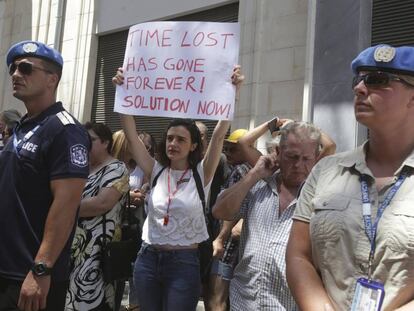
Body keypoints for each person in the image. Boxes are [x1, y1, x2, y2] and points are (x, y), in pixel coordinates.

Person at [286, 44, 414, 310]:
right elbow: (299, 255)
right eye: (358, 79)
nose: (359, 88)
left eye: (377, 80)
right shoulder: (325, 171)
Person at [112, 65, 243, 311]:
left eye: (181, 139)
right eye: (170, 137)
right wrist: (122, 91)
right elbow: (130, 136)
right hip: (147, 259)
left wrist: (231, 93)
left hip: (183, 264)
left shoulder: (201, 173)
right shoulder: (155, 169)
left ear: (194, 146)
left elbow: (218, 136)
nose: (173, 143)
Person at [0, 40, 90, 311]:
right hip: (5, 268)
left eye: (26, 68)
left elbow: (66, 203)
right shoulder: (20, 127)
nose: (16, 74)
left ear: (52, 79)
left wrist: (41, 269)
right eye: (13, 69)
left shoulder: (65, 130)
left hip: (30, 276)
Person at [213, 121, 324, 310]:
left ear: (316, 159)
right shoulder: (258, 185)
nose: (299, 165)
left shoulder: (321, 199)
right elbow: (220, 211)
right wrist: (254, 174)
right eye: (292, 157)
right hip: (244, 302)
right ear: (278, 153)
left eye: (306, 159)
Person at [65, 122, 129, 310]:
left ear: (106, 143)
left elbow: (101, 204)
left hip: (97, 251)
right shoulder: (78, 167)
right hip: (70, 245)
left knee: (90, 301)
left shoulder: (116, 169)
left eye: (90, 140)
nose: (84, 144)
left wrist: (60, 207)